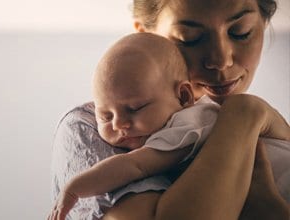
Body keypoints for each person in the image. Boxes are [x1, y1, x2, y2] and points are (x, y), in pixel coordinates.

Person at [51, 0, 290, 219]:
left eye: (241, 32)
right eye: (190, 38)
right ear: (146, 35)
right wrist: (244, 114)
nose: (220, 60)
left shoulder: (257, 123)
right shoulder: (91, 125)